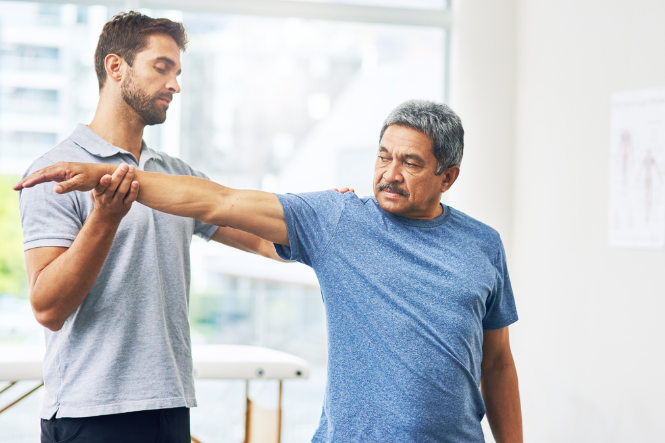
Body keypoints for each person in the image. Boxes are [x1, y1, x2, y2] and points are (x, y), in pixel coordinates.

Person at [16, 100, 524, 442]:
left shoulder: (482, 245)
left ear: (448, 176)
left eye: (410, 163)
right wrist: (109, 175)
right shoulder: (339, 221)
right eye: (383, 156)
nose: (389, 174)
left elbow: (497, 362)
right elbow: (217, 201)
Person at [17, 12, 279, 443]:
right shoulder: (54, 172)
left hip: (171, 405)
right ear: (116, 67)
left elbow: (264, 239)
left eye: (177, 72)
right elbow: (48, 308)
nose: (175, 84)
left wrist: (333, 216)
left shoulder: (174, 175)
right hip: (93, 411)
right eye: (162, 68)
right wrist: (104, 220)